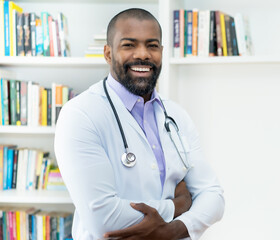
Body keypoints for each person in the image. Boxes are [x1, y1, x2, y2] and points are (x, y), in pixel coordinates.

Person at [54, 8, 224, 240]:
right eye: (129, 45)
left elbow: (213, 197)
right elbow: (104, 218)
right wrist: (180, 205)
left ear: (162, 52)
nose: (143, 54)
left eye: (152, 45)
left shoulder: (176, 115)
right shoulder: (80, 114)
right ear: (108, 53)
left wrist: (171, 231)